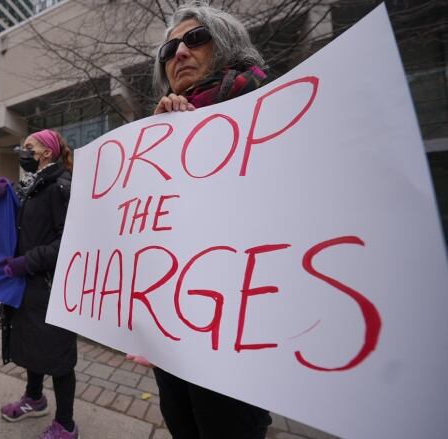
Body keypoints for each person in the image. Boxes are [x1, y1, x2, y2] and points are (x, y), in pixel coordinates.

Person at [134, 2, 273, 438]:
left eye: (195, 39)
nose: (179, 52)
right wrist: (157, 151)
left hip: (236, 328)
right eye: (170, 47)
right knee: (181, 423)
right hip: (174, 324)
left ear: (227, 45)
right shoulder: (161, 127)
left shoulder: (268, 111)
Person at [0, 129, 78, 439]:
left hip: (51, 287)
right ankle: (34, 398)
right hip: (29, 287)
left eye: (29, 147)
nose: (23, 151)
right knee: (32, 348)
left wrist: (26, 262)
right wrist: (4, 199)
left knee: (58, 357)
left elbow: (67, 242)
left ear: (46, 152)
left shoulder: (60, 187)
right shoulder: (32, 187)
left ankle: (66, 424)